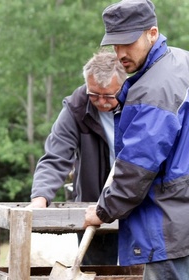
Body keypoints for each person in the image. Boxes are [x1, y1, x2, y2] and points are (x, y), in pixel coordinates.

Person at [83, 0, 189, 279]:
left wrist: (104, 210)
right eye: (115, 45)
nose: (120, 54)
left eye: (128, 43)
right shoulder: (182, 62)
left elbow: (137, 167)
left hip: (166, 226)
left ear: (152, 33)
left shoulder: (153, 88)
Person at [27, 50, 127, 265]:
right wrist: (40, 198)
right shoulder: (76, 108)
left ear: (123, 85)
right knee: (96, 272)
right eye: (94, 94)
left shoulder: (140, 103)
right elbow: (55, 157)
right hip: (94, 208)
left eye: (109, 95)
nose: (101, 102)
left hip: (137, 205)